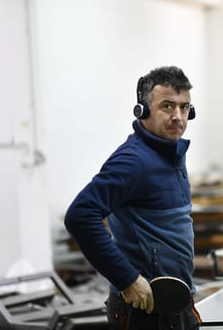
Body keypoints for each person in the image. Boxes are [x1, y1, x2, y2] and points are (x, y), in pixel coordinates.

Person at [64, 66, 201, 329]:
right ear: (143, 110)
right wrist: (127, 279)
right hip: (143, 310)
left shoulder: (172, 153)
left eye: (184, 107)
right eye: (167, 106)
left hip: (176, 304)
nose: (178, 116)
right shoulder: (134, 161)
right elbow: (80, 215)